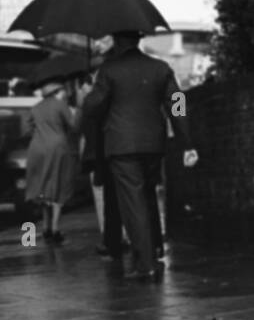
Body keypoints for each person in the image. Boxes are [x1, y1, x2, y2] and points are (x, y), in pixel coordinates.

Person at [81, 31, 198, 278]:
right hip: (154, 143)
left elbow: (93, 108)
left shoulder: (109, 70)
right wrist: (186, 142)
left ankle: (146, 264)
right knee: (147, 195)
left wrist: (90, 93)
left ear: (117, 41)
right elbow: (178, 104)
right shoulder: (161, 68)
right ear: (138, 40)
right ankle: (153, 249)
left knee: (133, 202)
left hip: (122, 145)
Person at [23, 76, 80, 244]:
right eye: (62, 90)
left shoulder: (36, 108)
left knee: (43, 187)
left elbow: (28, 129)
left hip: (37, 149)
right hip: (57, 148)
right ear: (56, 92)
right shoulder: (60, 105)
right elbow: (74, 126)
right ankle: (55, 228)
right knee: (58, 186)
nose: (64, 93)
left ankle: (44, 227)